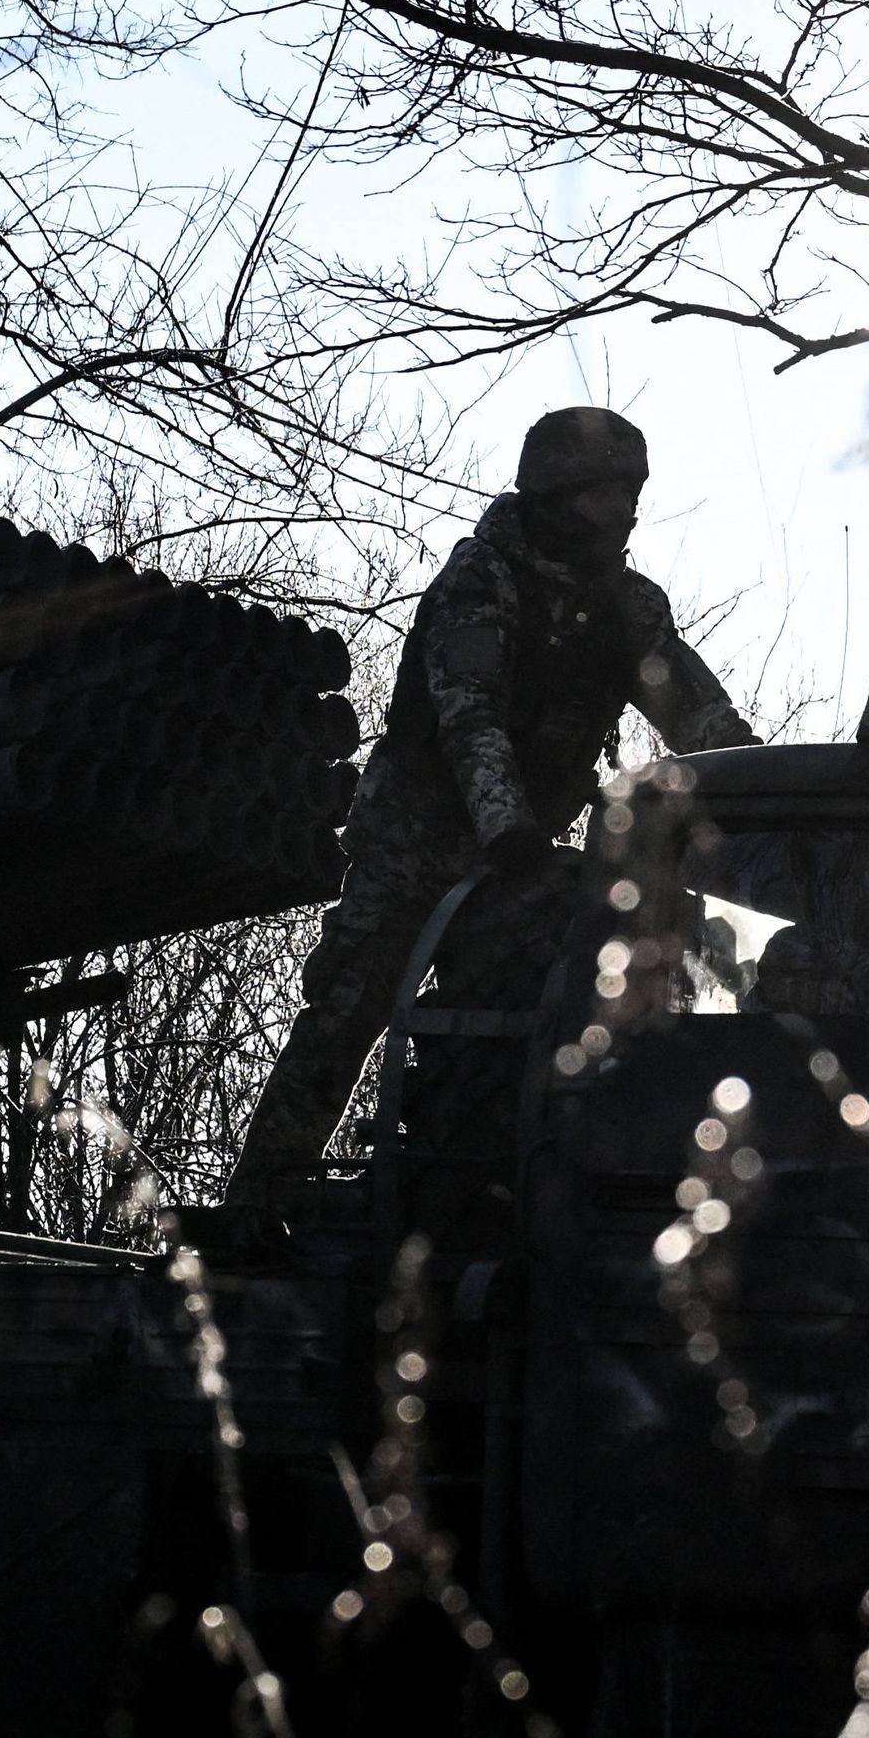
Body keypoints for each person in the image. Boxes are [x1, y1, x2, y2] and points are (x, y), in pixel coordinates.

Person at [228, 407, 759, 1193]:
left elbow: (701, 720)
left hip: (516, 862)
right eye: (602, 494)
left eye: (630, 492)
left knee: (543, 1005)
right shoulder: (481, 579)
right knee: (349, 1006)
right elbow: (468, 715)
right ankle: (261, 1195)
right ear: (554, 494)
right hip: (416, 842)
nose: (622, 512)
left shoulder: (627, 606)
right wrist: (507, 828)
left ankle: (495, 1178)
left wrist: (771, 790)